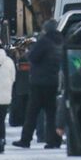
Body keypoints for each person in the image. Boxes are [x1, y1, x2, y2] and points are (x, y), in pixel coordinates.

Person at [14, 19, 63, 149]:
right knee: (51, 113)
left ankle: (25, 139)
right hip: (53, 82)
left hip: (39, 82)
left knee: (32, 112)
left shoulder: (44, 41)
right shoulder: (60, 41)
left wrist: (28, 53)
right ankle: (53, 140)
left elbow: (33, 57)